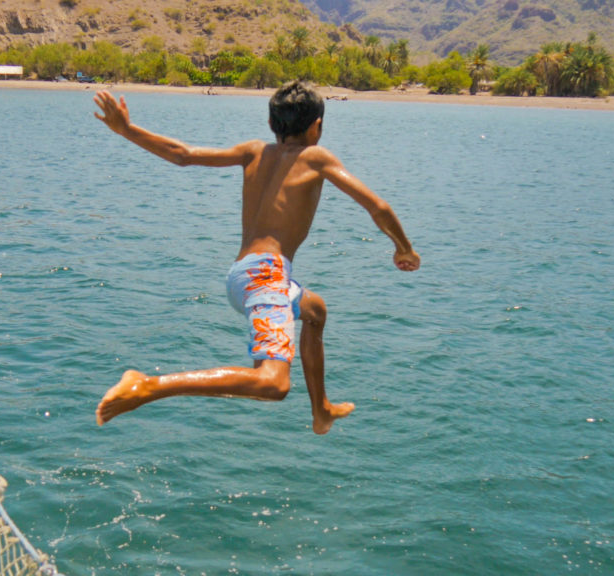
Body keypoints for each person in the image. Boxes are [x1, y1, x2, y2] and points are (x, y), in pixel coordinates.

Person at [93, 81, 420, 434]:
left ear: (271, 124)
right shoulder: (316, 157)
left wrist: (127, 130)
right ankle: (149, 385)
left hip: (242, 275)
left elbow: (182, 154)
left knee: (315, 311)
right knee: (273, 384)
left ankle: (321, 409)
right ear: (317, 127)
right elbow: (378, 206)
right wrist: (404, 247)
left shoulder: (253, 152)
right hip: (267, 276)